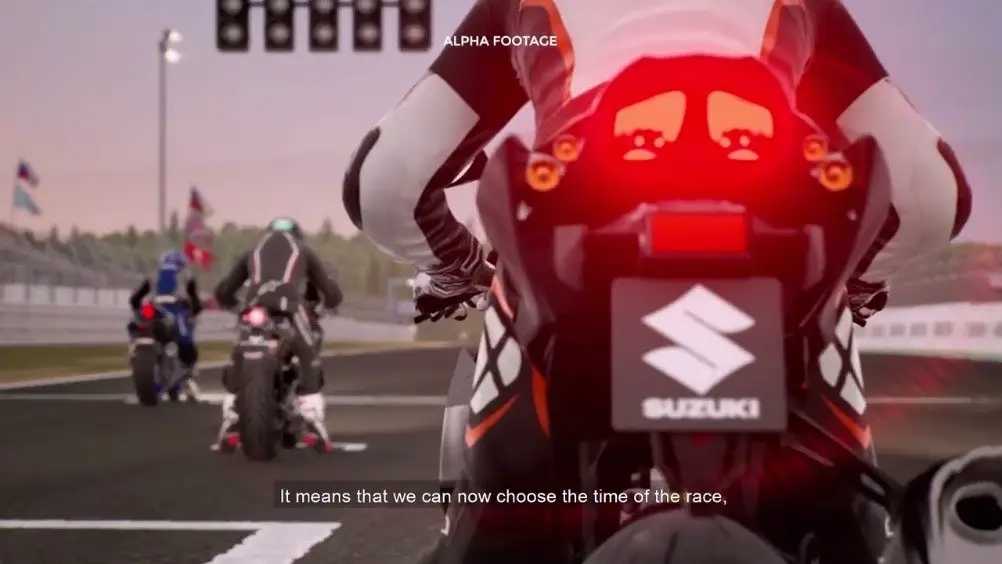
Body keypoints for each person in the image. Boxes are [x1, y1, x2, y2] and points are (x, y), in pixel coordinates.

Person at [343, 1, 972, 562]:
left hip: (576, 226)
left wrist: (460, 271)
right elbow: (931, 195)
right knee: (847, 531)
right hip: (776, 227)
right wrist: (850, 283)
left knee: (498, 528)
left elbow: (384, 183)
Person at [213, 217, 343, 451]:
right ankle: (311, 412)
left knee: (238, 351)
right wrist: (330, 302)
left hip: (254, 308)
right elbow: (331, 293)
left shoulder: (252, 251)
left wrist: (232, 304)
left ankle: (231, 410)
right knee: (308, 352)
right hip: (289, 308)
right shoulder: (303, 250)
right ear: (297, 235)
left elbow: (224, 291)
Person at [128, 249, 203, 401]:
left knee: (136, 323)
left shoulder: (153, 275)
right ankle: (187, 376)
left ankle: (134, 346)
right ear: (182, 264)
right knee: (186, 341)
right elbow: (196, 303)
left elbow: (135, 299)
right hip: (176, 310)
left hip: (152, 309)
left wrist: (138, 311)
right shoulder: (186, 275)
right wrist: (193, 312)